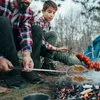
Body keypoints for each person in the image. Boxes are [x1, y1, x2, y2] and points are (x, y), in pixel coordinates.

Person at [0, 0, 44, 89]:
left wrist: (27, 55)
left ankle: (28, 69)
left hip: (12, 43)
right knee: (4, 21)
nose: (28, 1)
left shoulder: (28, 11)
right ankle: (13, 73)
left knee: (36, 29)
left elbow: (26, 33)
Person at [33, 0, 82, 75]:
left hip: (46, 50)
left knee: (64, 57)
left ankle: (88, 65)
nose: (52, 15)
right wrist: (56, 48)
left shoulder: (48, 24)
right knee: (53, 34)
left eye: (54, 13)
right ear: (43, 11)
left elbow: (47, 43)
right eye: (49, 12)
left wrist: (57, 49)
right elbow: (42, 42)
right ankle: (47, 65)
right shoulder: (38, 22)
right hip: (35, 48)